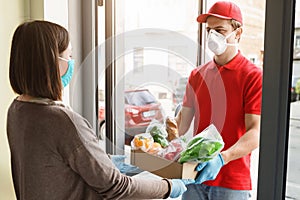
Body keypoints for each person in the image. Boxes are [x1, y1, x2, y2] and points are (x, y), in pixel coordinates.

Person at [6, 20, 192, 199]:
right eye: (69, 56)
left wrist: (131, 161)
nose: (72, 62)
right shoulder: (62, 120)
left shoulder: (18, 109)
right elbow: (116, 187)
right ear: (52, 62)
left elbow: (68, 161)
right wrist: (168, 187)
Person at [172, 1, 262, 200]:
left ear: (237, 33)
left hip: (232, 182)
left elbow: (255, 131)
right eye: (210, 30)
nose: (213, 36)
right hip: (193, 176)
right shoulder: (197, 75)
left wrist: (222, 158)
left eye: (220, 30)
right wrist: (159, 142)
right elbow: (181, 123)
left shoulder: (252, 76)